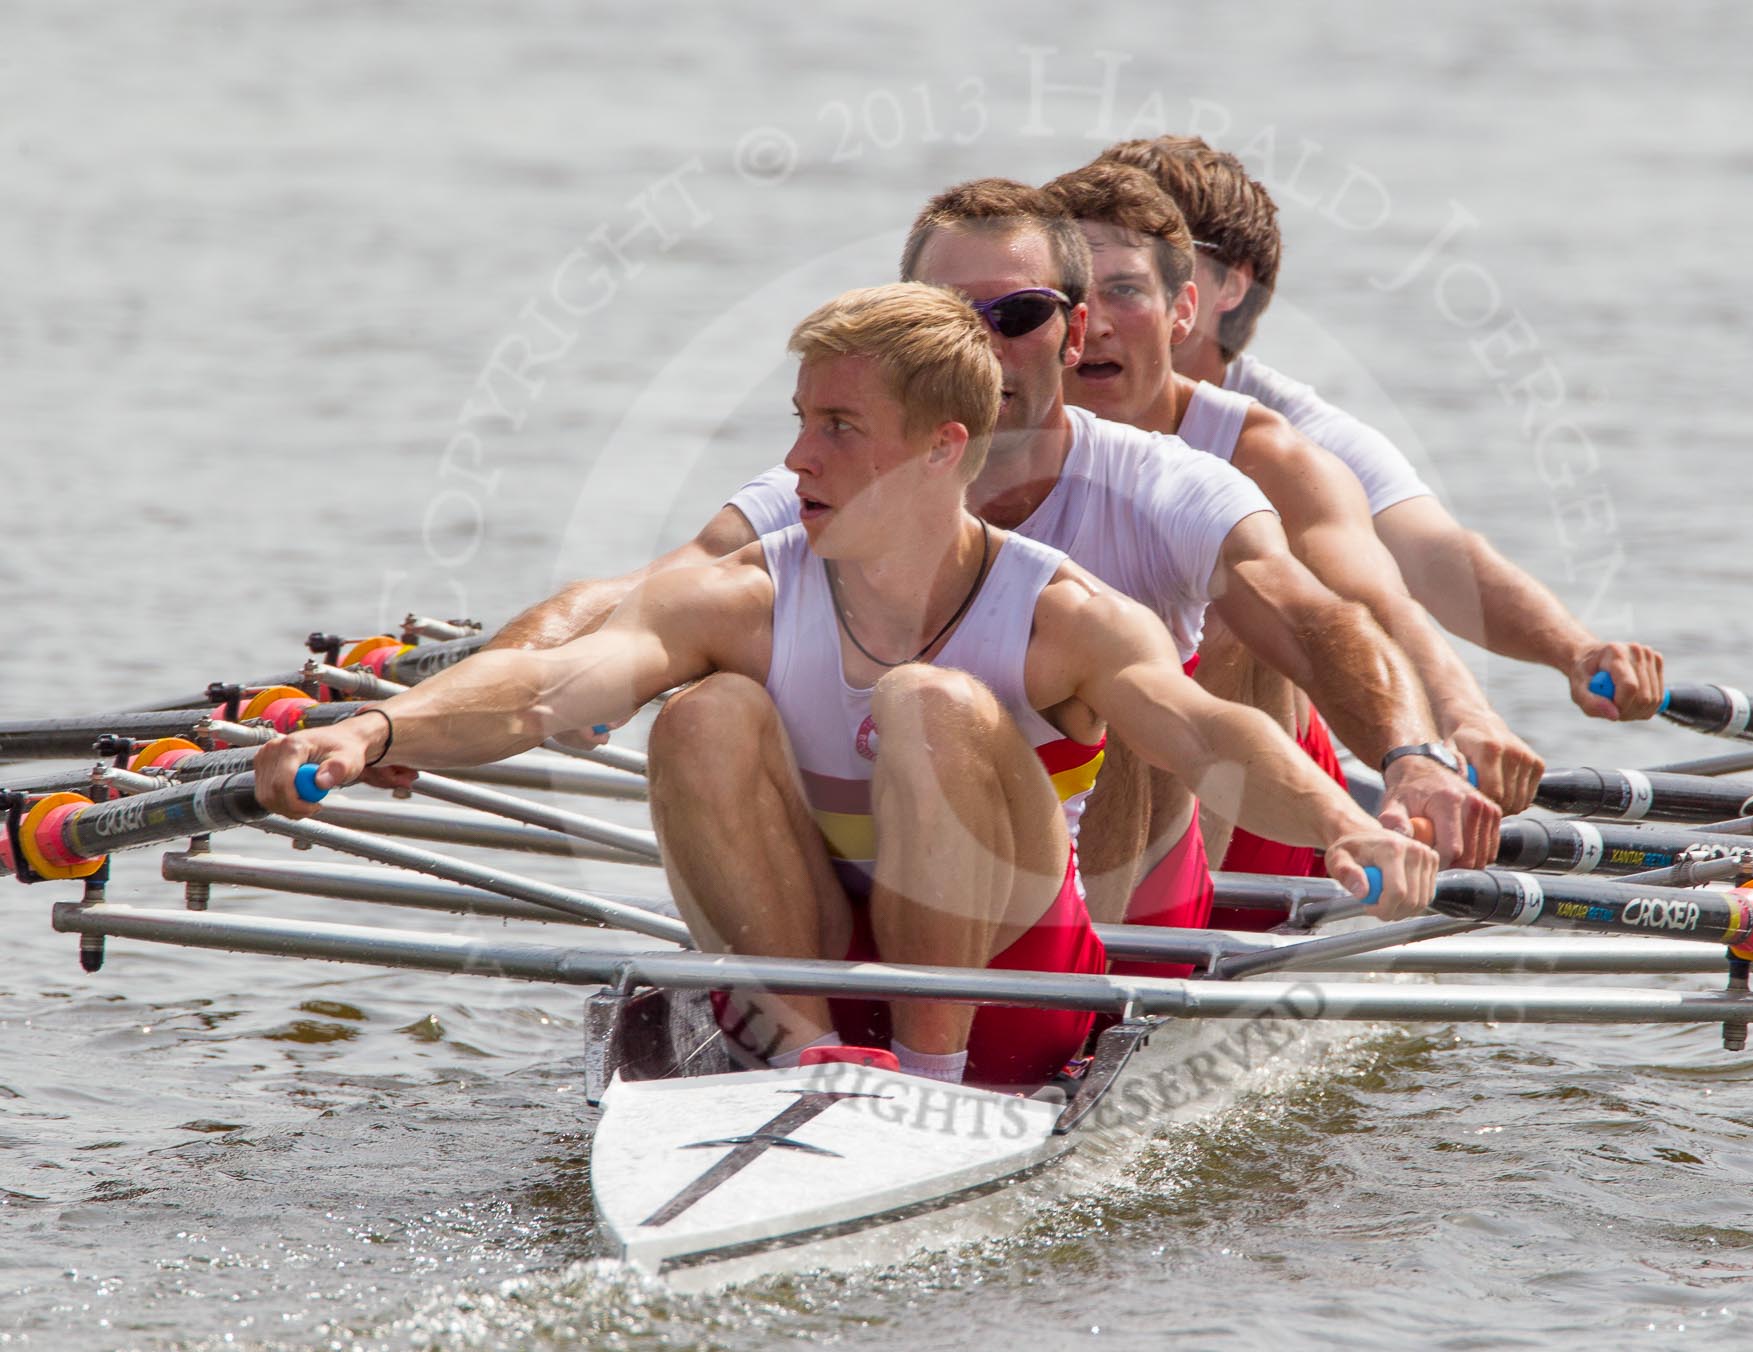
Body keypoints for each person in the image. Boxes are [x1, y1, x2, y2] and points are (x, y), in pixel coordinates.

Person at [253, 283, 1436, 1088]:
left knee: (928, 698)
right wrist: (377, 726)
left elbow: (1211, 737)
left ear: (941, 448)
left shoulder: (1064, 614)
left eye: (836, 426)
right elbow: (549, 685)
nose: (798, 460)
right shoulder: (742, 596)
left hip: (1008, 992)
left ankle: (924, 1082)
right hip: (811, 962)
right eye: (798, 423)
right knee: (707, 709)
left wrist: (1344, 822)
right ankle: (814, 1061)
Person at [1042, 161, 1534, 897]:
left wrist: (1433, 743)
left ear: (1186, 310)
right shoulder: (963, 442)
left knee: (1164, 630)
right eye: (1076, 295)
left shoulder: (1268, 454)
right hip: (1043, 809)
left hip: (1221, 822)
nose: (1099, 322)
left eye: (1124, 291)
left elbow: (1363, 605)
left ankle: (1126, 947)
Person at [1098, 135, 1667, 724]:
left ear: (1224, 287)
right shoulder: (1023, 379)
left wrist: (1573, 651)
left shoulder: (1291, 439)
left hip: (1238, 740)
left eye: (1135, 269)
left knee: (1231, 604)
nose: (1092, 298)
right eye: (1075, 258)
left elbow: (1435, 557)